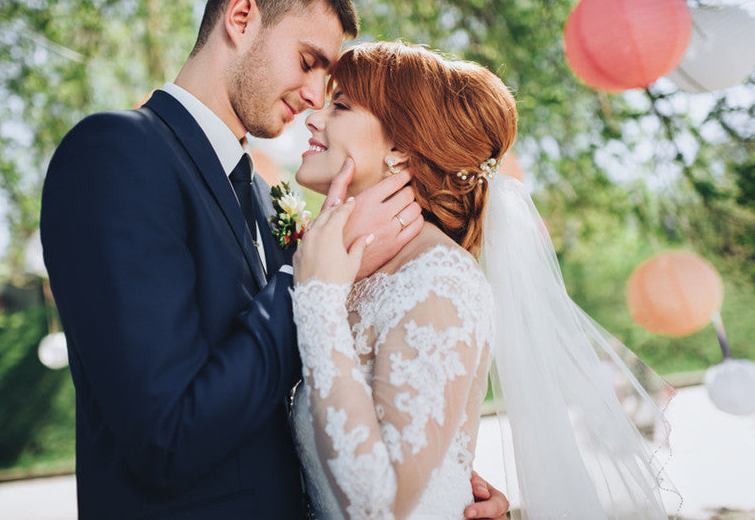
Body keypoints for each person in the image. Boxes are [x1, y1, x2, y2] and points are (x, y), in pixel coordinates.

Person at [40, 0, 509, 518]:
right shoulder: (118, 153)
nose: (315, 98)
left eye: (334, 89)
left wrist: (440, 474)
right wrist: (307, 280)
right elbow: (166, 434)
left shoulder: (269, 202)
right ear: (241, 18)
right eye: (309, 61)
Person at [289, 41, 675, 518]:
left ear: (400, 150)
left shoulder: (439, 280)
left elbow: (380, 504)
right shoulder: (348, 272)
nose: (313, 117)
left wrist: (317, 301)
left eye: (341, 105)